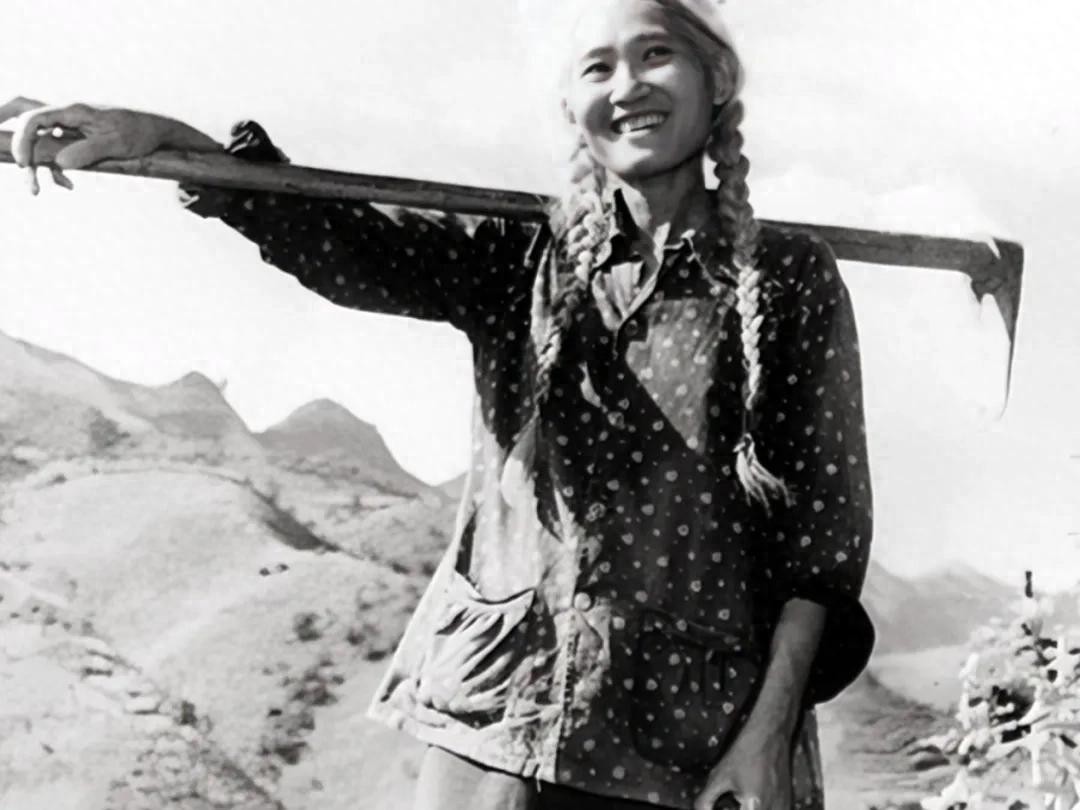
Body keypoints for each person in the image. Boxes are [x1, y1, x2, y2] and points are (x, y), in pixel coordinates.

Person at [4, 1, 875, 808]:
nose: (627, 87)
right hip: (493, 730)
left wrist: (766, 738)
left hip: (688, 752)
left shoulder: (788, 280)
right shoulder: (518, 257)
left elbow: (821, 554)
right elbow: (339, 236)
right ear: (571, 107)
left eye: (656, 55)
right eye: (598, 67)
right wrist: (167, 140)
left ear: (717, 79)